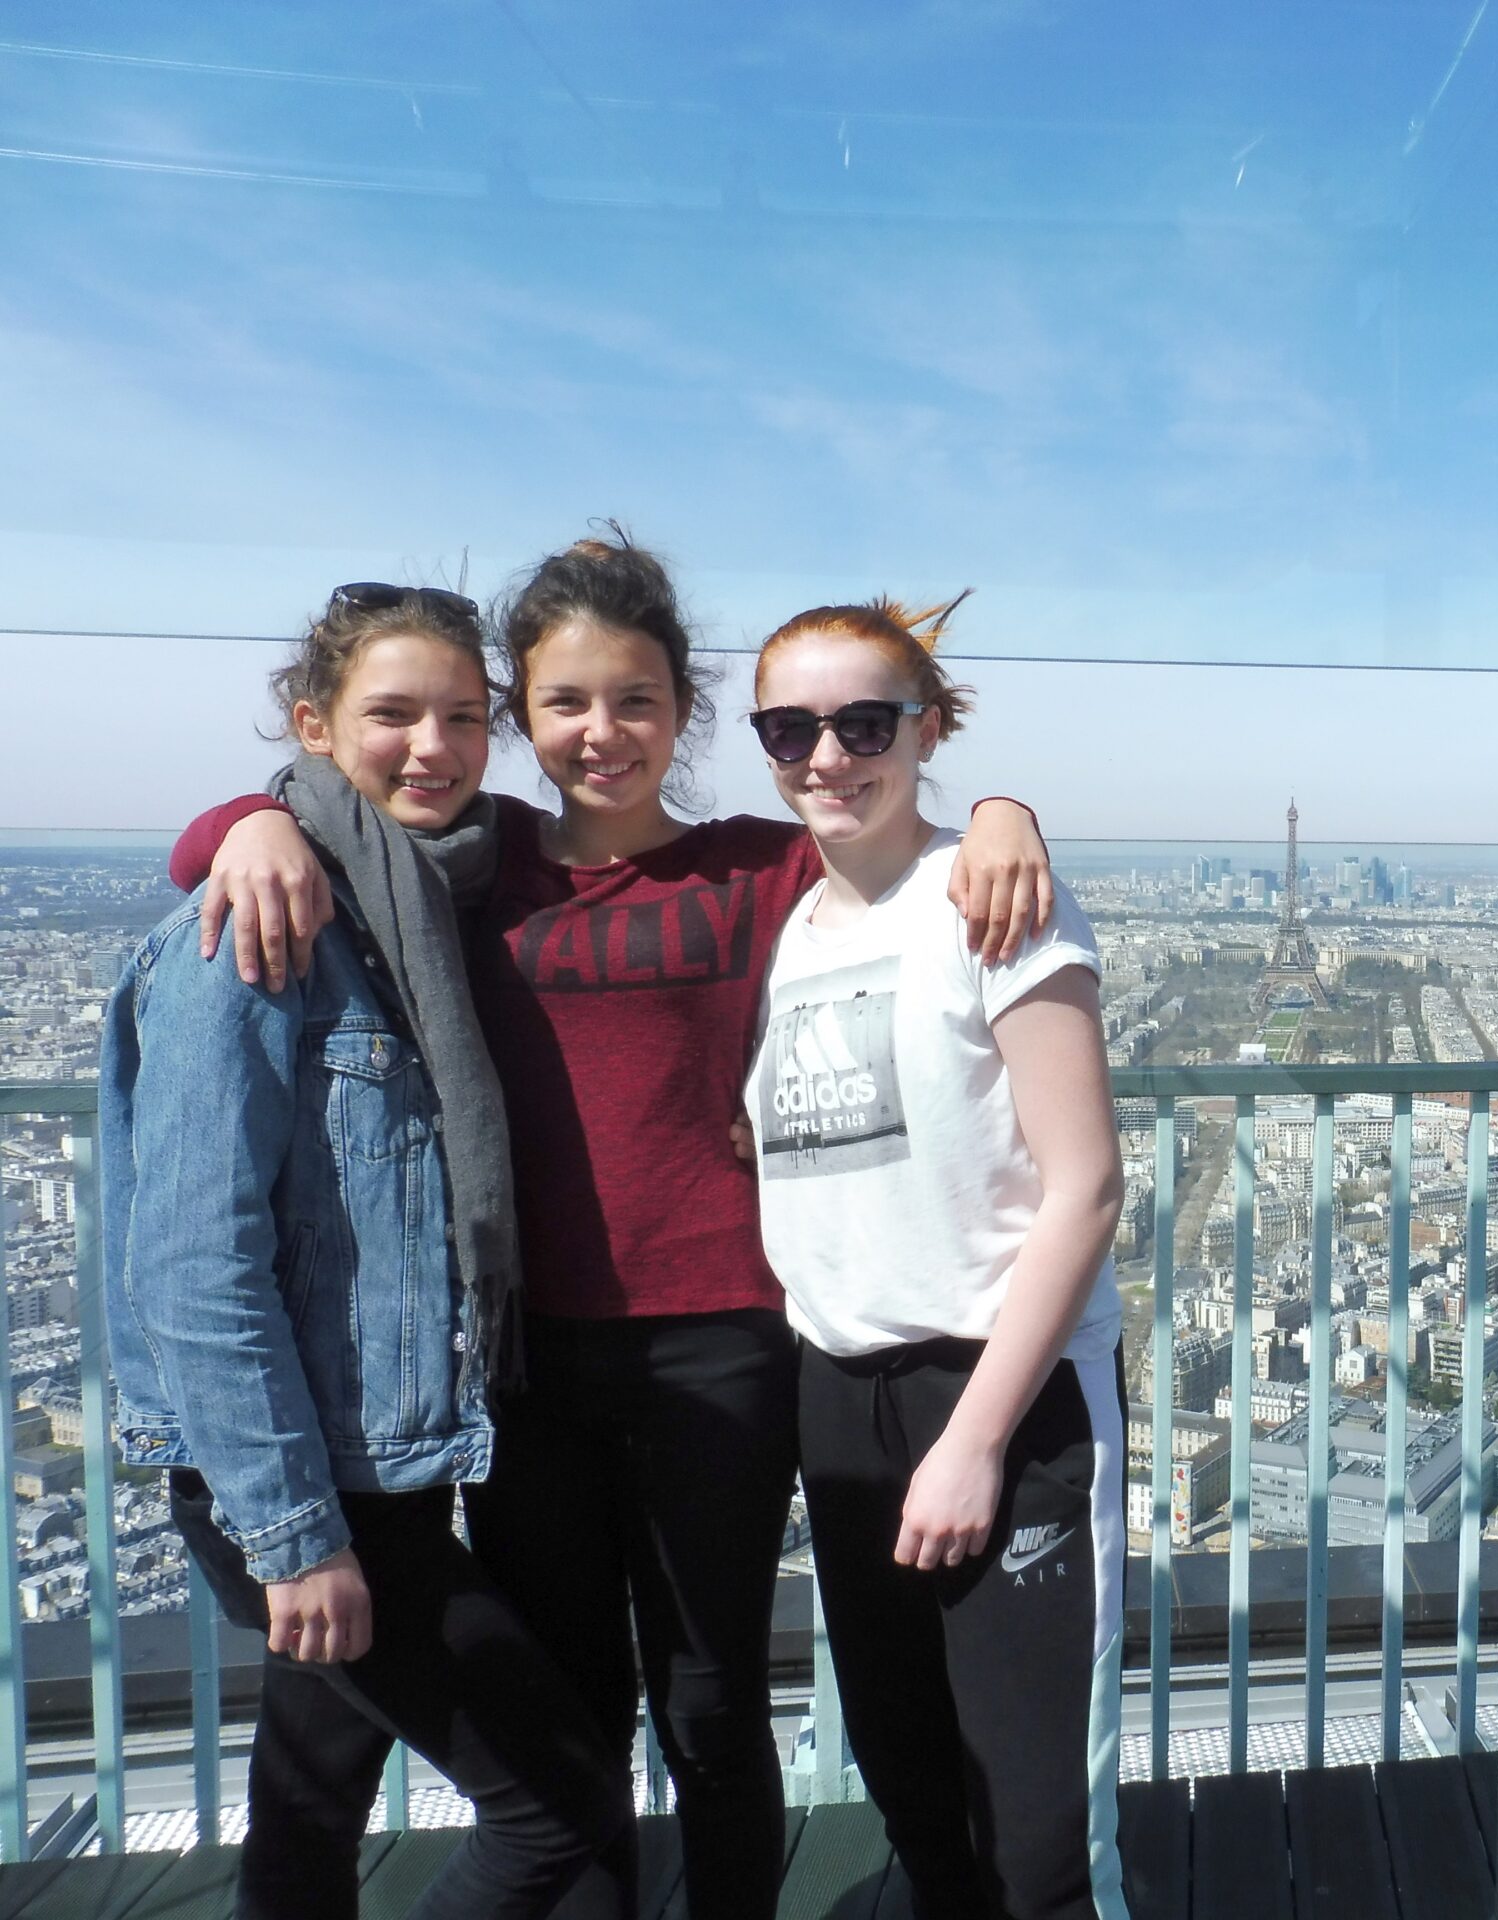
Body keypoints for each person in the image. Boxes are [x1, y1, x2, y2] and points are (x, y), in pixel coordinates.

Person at [170, 532, 1056, 1920]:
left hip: (725, 1345)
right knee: (578, 1707)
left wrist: (1003, 808)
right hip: (527, 1361)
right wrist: (251, 821)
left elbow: (902, 842)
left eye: (637, 700)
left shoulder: (760, 869)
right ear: (522, 719)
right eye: (565, 702)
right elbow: (302, 819)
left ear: (685, 713)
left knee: (711, 1702)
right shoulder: (470, 867)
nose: (602, 731)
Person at [102, 585, 636, 1919]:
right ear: (316, 727)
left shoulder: (432, 902)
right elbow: (193, 1267)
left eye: (463, 717)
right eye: (392, 714)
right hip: (296, 1479)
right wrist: (295, 1538)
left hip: (387, 1459)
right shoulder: (253, 932)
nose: (433, 747)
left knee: (313, 1799)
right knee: (558, 1804)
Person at [746, 596, 1128, 1920]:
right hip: (840, 1389)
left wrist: (974, 1442)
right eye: (789, 729)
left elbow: (1086, 1186)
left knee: (1037, 1833)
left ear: (927, 729)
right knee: (915, 1785)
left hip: (1006, 1390)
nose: (827, 756)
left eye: (865, 724)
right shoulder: (786, 928)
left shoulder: (994, 901)